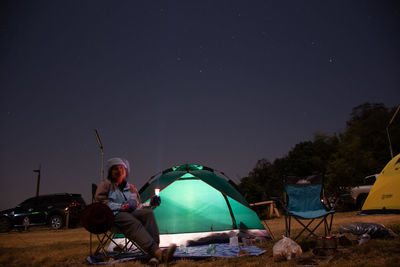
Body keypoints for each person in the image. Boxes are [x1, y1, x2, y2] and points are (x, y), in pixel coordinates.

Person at [95, 157, 176, 264]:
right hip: (113, 216)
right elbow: (100, 202)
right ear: (110, 171)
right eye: (115, 168)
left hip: (131, 214)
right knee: (130, 219)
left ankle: (155, 255)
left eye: (121, 168)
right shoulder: (105, 185)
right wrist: (122, 207)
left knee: (148, 214)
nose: (119, 171)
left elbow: (138, 207)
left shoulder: (131, 188)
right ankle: (158, 253)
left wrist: (151, 203)